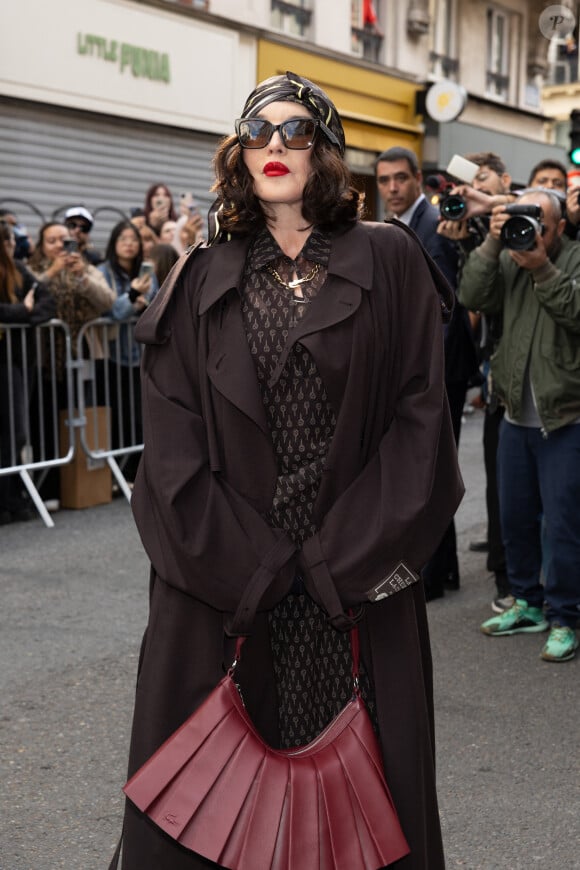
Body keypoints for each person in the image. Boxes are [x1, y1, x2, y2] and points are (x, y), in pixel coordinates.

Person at [113, 72, 463, 869]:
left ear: (329, 151)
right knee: (213, 818)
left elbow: (421, 423)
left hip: (355, 586)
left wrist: (334, 563)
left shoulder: (391, 258)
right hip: (228, 588)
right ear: (237, 154)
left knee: (359, 817)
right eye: (258, 130)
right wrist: (257, 567)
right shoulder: (199, 273)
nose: (274, 143)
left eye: (296, 130)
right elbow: (170, 449)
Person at [458, 188, 580, 663]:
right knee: (514, 518)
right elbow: (470, 295)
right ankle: (527, 602)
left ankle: (566, 616)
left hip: (565, 416)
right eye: (521, 218)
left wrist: (542, 268)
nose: (528, 230)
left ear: (560, 227)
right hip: (513, 414)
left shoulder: (569, 260)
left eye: (539, 222)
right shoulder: (507, 255)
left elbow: (575, 313)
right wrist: (491, 244)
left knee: (566, 526)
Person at [376, 145, 477, 599]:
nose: (392, 187)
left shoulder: (432, 226)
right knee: (428, 467)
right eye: (384, 180)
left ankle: (433, 576)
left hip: (439, 369)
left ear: (418, 178)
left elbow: (443, 308)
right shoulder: (398, 225)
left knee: (430, 470)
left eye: (400, 178)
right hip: (429, 367)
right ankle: (443, 571)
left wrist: (424, 373)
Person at [438, 152, 513, 611]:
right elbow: (474, 296)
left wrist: (494, 206)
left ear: (503, 181)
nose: (472, 194)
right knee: (503, 482)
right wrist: (467, 242)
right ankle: (509, 579)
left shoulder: (522, 214)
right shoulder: (477, 233)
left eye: (481, 182)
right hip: (496, 368)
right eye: (466, 187)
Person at [28, 222, 115, 501]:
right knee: (47, 423)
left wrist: (82, 279)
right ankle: (48, 489)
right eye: (51, 241)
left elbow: (108, 302)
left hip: (83, 354)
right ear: (42, 245)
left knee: (85, 420)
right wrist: (52, 273)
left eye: (63, 240)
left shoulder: (86, 268)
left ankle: (86, 486)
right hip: (46, 359)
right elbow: (26, 297)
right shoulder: (31, 270)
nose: (58, 246)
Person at [0, 221, 55, 523]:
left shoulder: (19, 270)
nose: (13, 245)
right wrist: (23, 311)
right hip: (6, 361)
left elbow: (47, 301)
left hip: (22, 359)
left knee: (17, 433)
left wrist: (26, 312)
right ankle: (7, 496)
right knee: (13, 432)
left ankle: (12, 496)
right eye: (7, 240)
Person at [98, 221, 158, 482]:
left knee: (139, 413)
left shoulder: (148, 272)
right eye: (123, 238)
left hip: (141, 354)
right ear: (113, 243)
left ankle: (138, 470)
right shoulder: (103, 272)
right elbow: (114, 311)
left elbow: (157, 307)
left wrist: (143, 302)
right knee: (116, 414)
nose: (129, 243)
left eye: (134, 239)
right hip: (111, 354)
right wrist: (133, 296)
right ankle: (118, 473)